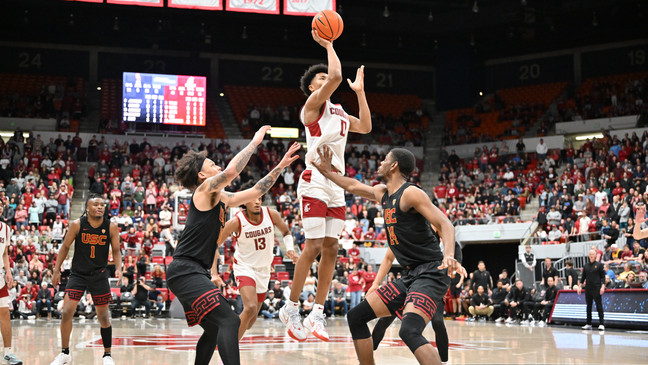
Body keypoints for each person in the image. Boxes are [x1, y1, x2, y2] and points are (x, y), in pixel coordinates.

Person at [310, 146, 465, 365]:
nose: (380, 162)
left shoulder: (410, 193)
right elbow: (353, 185)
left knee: (409, 331)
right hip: (411, 275)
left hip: (431, 272)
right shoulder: (383, 193)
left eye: (384, 159)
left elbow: (445, 223)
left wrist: (449, 255)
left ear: (394, 166)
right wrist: (327, 172)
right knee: (356, 317)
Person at [165, 126, 299, 365]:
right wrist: (255, 142)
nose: (216, 164)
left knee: (214, 329)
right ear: (202, 175)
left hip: (194, 271)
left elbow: (257, 190)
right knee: (230, 321)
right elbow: (230, 172)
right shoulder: (205, 189)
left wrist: (279, 167)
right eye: (210, 164)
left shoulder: (223, 198)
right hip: (186, 269)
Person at [279, 29, 373, 343]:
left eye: (324, 79)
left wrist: (359, 92)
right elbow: (335, 74)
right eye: (319, 79)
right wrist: (329, 45)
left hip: (336, 183)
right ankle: (291, 306)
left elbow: (366, 126)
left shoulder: (341, 112)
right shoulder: (311, 108)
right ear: (311, 88)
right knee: (314, 246)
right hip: (314, 179)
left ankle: (317, 313)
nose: (325, 80)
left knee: (331, 249)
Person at [50, 194, 123, 365]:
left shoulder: (111, 227)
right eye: (96, 204)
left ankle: (107, 355)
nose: (100, 207)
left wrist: (119, 267)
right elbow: (65, 247)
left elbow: (117, 250)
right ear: (87, 208)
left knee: (104, 316)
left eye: (102, 205)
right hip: (78, 274)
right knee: (67, 311)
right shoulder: (77, 225)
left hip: (99, 275)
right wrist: (56, 271)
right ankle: (65, 353)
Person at [215, 195, 299, 340]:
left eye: (260, 198)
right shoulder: (236, 222)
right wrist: (213, 272)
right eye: (253, 198)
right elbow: (214, 244)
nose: (257, 201)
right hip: (245, 267)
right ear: (243, 201)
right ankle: (227, 349)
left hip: (264, 269)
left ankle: (229, 331)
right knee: (250, 308)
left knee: (250, 321)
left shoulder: (271, 214)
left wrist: (290, 248)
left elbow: (286, 232)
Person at [0, 204, 23, 364]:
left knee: (5, 314)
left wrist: (8, 271)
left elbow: (5, 253)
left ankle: (8, 352)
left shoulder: (5, 229)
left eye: (1, 206)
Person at [577, 249, 606, 331]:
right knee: (588, 306)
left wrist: (603, 286)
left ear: (596, 255)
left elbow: (603, 277)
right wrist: (579, 287)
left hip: (597, 287)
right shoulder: (586, 266)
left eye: (593, 254)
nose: (591, 255)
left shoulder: (599, 265)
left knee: (599, 305)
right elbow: (583, 278)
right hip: (588, 288)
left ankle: (601, 323)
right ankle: (589, 323)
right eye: (590, 254)